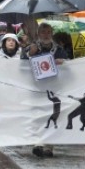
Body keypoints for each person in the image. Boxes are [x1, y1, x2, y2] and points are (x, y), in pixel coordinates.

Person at [22, 23, 68, 158]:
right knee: (38, 116)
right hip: (36, 89)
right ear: (38, 34)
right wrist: (30, 53)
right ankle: (38, 143)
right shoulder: (31, 48)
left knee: (53, 115)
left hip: (54, 88)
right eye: (43, 32)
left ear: (52, 33)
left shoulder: (58, 49)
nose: (46, 35)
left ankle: (49, 146)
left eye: (48, 32)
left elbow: (69, 64)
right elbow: (20, 64)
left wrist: (63, 62)